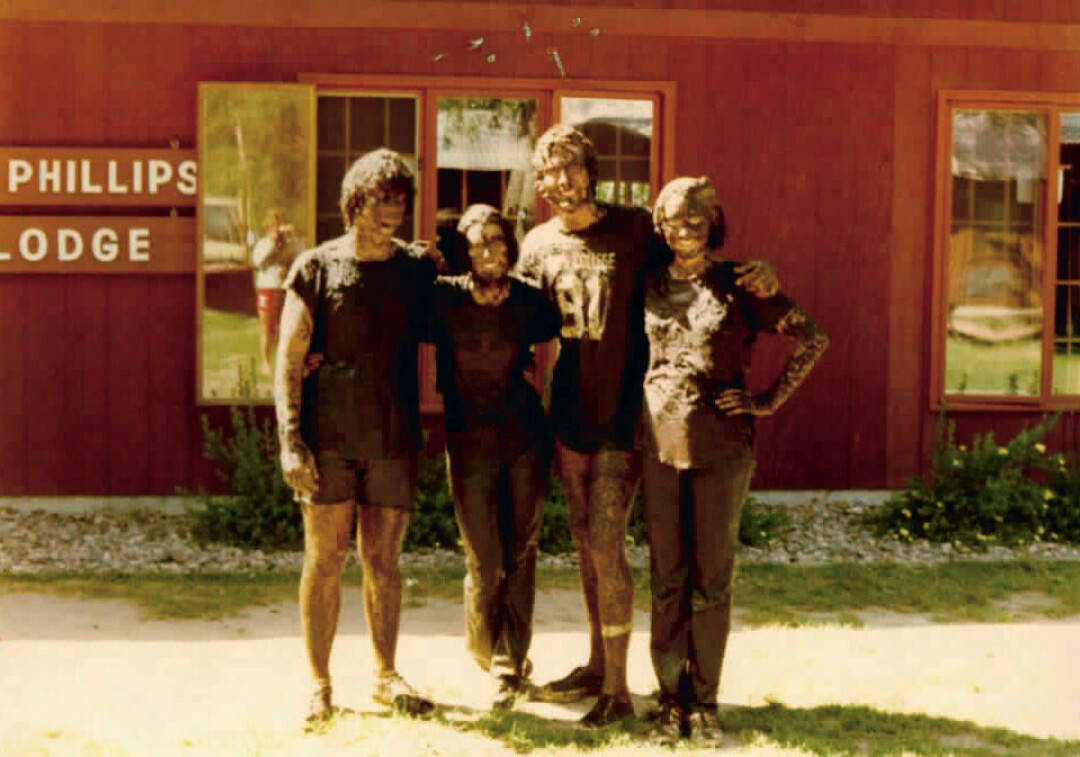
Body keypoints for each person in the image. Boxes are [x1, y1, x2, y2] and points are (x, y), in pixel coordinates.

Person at [516, 124, 778, 726]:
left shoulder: (635, 228)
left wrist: (757, 277)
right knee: (583, 540)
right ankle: (595, 662)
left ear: (592, 168)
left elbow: (696, 264)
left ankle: (618, 690)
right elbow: (511, 314)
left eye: (571, 167)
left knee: (608, 542)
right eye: (548, 171)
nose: (561, 181)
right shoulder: (536, 245)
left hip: (629, 414)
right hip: (569, 414)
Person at [640, 176, 828, 741]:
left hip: (722, 449)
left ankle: (704, 701)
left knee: (710, 577)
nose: (685, 228)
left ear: (713, 221)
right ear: (660, 225)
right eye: (673, 219)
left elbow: (812, 338)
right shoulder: (645, 282)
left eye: (696, 218)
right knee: (666, 576)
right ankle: (669, 698)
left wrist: (766, 401)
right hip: (657, 446)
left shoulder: (741, 282)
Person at [274, 148, 437, 722]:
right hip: (330, 439)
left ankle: (385, 675)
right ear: (354, 200)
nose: (392, 208)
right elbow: (288, 359)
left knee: (384, 562)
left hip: (393, 438)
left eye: (400, 198)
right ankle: (319, 683)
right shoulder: (317, 267)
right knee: (324, 560)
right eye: (381, 197)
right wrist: (290, 439)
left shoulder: (416, 269)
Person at [422, 204, 561, 710]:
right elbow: (387, 316)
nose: (489, 251)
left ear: (510, 244)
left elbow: (575, 328)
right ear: (464, 250)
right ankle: (488, 649)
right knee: (484, 557)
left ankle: (509, 661)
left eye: (498, 240)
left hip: (524, 437)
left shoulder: (530, 302)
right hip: (468, 442)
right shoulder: (442, 300)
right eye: (478, 242)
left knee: (520, 552)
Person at [252, 208, 303, 370]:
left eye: (280, 223)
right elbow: (258, 262)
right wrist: (273, 245)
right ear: (268, 227)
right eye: (274, 224)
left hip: (285, 289)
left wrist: (289, 268)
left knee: (286, 327)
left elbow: (301, 257)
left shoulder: (292, 243)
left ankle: (283, 361)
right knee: (267, 328)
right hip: (267, 288)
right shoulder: (263, 244)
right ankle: (266, 362)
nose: (277, 228)